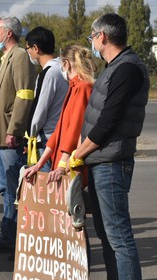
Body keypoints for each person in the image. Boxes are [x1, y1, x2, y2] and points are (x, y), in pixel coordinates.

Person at [71, 13, 148, 280]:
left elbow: (108, 122)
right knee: (107, 235)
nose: (92, 42)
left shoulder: (126, 68)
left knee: (119, 236)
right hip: (101, 161)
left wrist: (78, 153)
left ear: (102, 36)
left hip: (111, 163)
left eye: (92, 36)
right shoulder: (115, 66)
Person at [0, 16, 36, 254]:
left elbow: (24, 95)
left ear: (8, 33)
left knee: (14, 190)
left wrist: (14, 129)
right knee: (5, 188)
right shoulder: (7, 58)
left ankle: (15, 241)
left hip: (9, 137)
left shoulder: (20, 56)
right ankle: (8, 238)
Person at [23, 45, 96, 183]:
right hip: (63, 161)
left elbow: (74, 129)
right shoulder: (74, 87)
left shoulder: (82, 87)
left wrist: (63, 165)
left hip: (71, 165)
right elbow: (58, 132)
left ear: (66, 64)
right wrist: (39, 164)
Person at [24, 27, 69, 171]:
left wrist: (29, 136)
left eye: (28, 49)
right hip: (61, 136)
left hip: (47, 140)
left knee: (47, 190)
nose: (28, 53)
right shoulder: (63, 68)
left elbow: (39, 109)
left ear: (36, 48)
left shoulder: (48, 73)